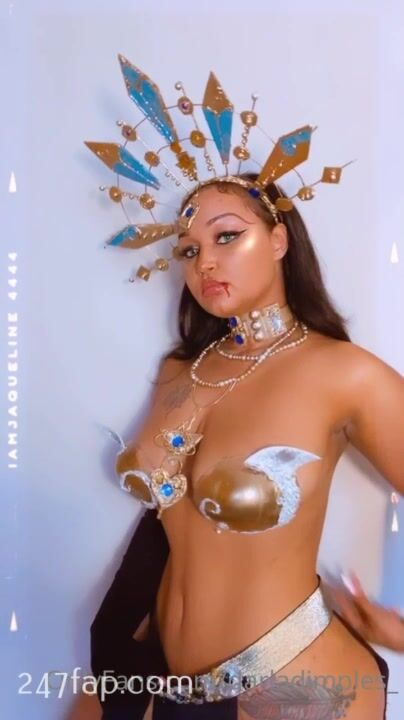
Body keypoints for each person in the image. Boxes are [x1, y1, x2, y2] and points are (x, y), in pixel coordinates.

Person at [85, 175, 404, 720]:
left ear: (279, 240)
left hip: (295, 687)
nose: (205, 263)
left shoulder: (344, 374)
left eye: (227, 236)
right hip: (162, 680)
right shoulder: (179, 371)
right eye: (189, 250)